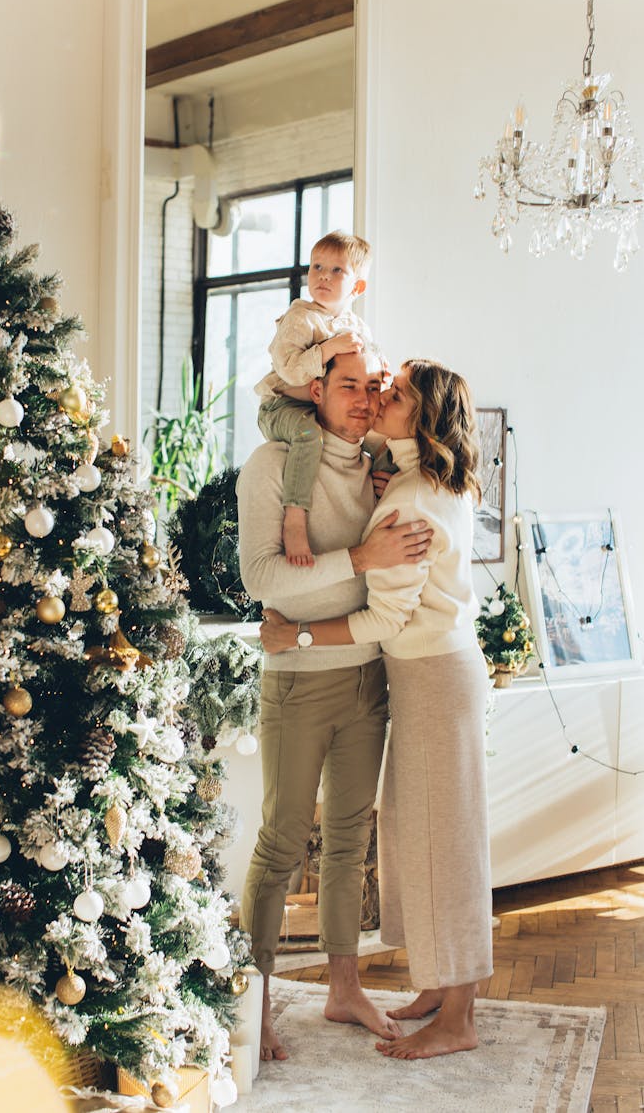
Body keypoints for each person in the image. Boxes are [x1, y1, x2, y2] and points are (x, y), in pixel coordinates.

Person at [261, 358, 494, 1060]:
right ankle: (439, 982)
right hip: (444, 673)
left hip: (429, 676)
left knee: (442, 845)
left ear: (420, 419)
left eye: (394, 396)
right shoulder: (435, 483)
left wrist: (294, 633)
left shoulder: (408, 503)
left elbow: (385, 619)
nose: (380, 399)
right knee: (426, 834)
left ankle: (457, 1017)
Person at [238, 346, 434, 1062]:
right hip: (297, 677)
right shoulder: (270, 466)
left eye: (373, 386)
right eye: (347, 384)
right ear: (315, 390)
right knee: (283, 842)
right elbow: (261, 574)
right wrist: (358, 561)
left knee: (350, 842)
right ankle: (252, 1004)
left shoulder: (379, 465)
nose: (362, 397)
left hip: (370, 675)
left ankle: (344, 985)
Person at [255, 230, 377, 567]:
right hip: (282, 405)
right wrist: (326, 350)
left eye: (337, 270)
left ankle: (382, 486)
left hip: (318, 406)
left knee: (376, 435)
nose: (323, 275)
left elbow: (369, 362)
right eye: (317, 267)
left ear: (357, 287)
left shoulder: (356, 326)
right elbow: (290, 370)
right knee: (309, 436)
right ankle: (295, 518)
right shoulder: (300, 318)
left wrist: (380, 370)